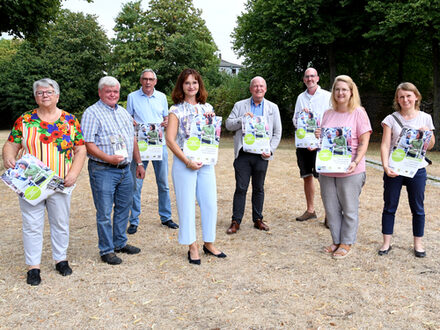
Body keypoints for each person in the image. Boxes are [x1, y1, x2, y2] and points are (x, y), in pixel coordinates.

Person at [2, 78, 86, 285]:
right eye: (40, 92)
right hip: (31, 184)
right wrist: (8, 157)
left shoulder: (69, 120)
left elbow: (80, 149)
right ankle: (33, 267)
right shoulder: (25, 120)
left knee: (60, 223)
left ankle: (61, 260)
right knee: (31, 224)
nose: (44, 95)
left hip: (60, 182)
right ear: (35, 97)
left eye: (49, 92)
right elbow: (11, 144)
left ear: (57, 95)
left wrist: (74, 173)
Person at [81, 76, 145, 265]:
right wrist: (108, 158)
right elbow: (88, 143)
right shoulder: (91, 113)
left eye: (115, 91)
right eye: (108, 91)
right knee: (104, 212)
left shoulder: (124, 113)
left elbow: (132, 139)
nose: (112, 94)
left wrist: (139, 163)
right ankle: (106, 250)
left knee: (124, 207)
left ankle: (119, 242)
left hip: (125, 169)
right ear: (100, 92)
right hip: (103, 169)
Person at [166, 68, 226, 265]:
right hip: (185, 164)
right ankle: (192, 246)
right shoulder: (175, 110)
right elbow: (170, 140)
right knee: (186, 205)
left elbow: (211, 137)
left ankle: (209, 243)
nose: (191, 86)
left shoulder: (207, 108)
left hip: (205, 164)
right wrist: (187, 161)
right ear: (181, 86)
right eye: (187, 83)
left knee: (209, 203)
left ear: (199, 85)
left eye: (194, 82)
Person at [316, 75, 372, 259]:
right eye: (337, 89)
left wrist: (355, 162)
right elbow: (326, 141)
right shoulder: (328, 114)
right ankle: (336, 240)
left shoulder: (359, 112)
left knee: (349, 208)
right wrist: (320, 134)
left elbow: (364, 142)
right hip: (328, 169)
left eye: (344, 89)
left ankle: (346, 242)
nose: (340, 93)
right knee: (331, 208)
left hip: (351, 170)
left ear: (351, 92)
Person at [379, 82, 435, 258]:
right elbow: (385, 144)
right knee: (389, 206)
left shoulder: (425, 118)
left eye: (409, 96)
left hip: (416, 169)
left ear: (416, 97)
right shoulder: (390, 119)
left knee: (417, 208)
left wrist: (427, 134)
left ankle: (418, 243)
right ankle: (386, 243)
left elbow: (431, 145)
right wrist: (386, 166)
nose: (405, 99)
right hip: (394, 169)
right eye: (401, 96)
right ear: (397, 99)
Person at [225, 76, 282, 234]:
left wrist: (270, 150)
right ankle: (236, 221)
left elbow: (277, 132)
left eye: (261, 86)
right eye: (255, 86)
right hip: (243, 154)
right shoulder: (240, 105)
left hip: (262, 155)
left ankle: (258, 219)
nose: (258, 88)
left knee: (259, 188)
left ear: (265, 89)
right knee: (241, 188)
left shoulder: (272, 107)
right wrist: (242, 120)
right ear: (251, 89)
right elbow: (228, 124)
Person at [126, 69, 176, 235]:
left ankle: (166, 217)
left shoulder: (161, 97)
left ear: (155, 81)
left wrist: (166, 121)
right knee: (136, 184)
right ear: (141, 81)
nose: (148, 82)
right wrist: (132, 122)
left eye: (151, 79)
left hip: (159, 145)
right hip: (140, 146)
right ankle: (133, 220)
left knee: (163, 183)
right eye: (145, 79)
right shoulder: (132, 97)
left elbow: (166, 118)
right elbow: (128, 118)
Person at [293, 68, 331, 223]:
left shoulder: (327, 96)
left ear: (318, 78)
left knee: (325, 179)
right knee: (307, 176)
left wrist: (319, 138)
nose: (310, 79)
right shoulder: (300, 98)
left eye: (312, 76)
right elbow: (295, 120)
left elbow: (332, 119)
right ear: (304, 80)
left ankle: (330, 214)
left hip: (322, 144)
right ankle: (310, 210)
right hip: (303, 145)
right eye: (307, 77)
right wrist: (301, 117)